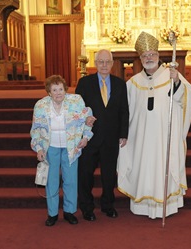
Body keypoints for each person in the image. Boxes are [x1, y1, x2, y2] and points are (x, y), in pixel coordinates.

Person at [117, 31, 191, 219]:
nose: (149, 58)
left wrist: (177, 82)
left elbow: (186, 97)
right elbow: (124, 111)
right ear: (140, 58)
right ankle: (142, 205)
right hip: (141, 139)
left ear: (159, 56)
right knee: (142, 165)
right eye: (145, 55)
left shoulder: (171, 76)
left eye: (152, 54)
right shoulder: (133, 83)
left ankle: (166, 204)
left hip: (163, 136)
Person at [30, 74, 95, 226]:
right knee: (51, 181)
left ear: (65, 90)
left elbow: (88, 119)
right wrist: (38, 148)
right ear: (49, 92)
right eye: (54, 90)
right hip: (50, 148)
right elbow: (36, 130)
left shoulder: (76, 101)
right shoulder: (40, 105)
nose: (58, 93)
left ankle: (69, 212)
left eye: (61, 89)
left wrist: (85, 138)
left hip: (70, 147)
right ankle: (52, 214)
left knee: (71, 181)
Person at [75, 49, 129, 221]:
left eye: (107, 62)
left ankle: (107, 205)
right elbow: (76, 110)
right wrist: (83, 122)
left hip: (111, 138)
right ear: (96, 63)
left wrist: (123, 133)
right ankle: (87, 207)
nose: (104, 65)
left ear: (112, 64)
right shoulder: (84, 83)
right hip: (88, 138)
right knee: (85, 174)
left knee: (108, 175)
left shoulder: (120, 84)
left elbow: (124, 111)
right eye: (101, 62)